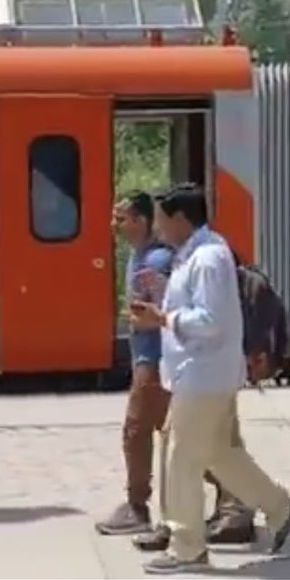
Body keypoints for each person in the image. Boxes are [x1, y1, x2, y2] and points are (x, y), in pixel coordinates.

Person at [127, 183, 290, 574]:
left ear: (179, 219)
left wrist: (162, 318)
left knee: (182, 459)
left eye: (160, 219)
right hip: (198, 374)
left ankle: (187, 545)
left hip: (204, 376)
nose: (157, 228)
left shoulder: (208, 257)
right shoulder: (192, 255)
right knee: (219, 454)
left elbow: (211, 322)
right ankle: (282, 509)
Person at [97, 192, 175, 536]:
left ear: (141, 221)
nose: (114, 225)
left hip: (154, 360)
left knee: (135, 431)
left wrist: (138, 319)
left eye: (121, 218)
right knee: (181, 438)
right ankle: (234, 501)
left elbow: (156, 315)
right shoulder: (138, 256)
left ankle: (136, 506)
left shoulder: (154, 261)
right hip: (150, 357)